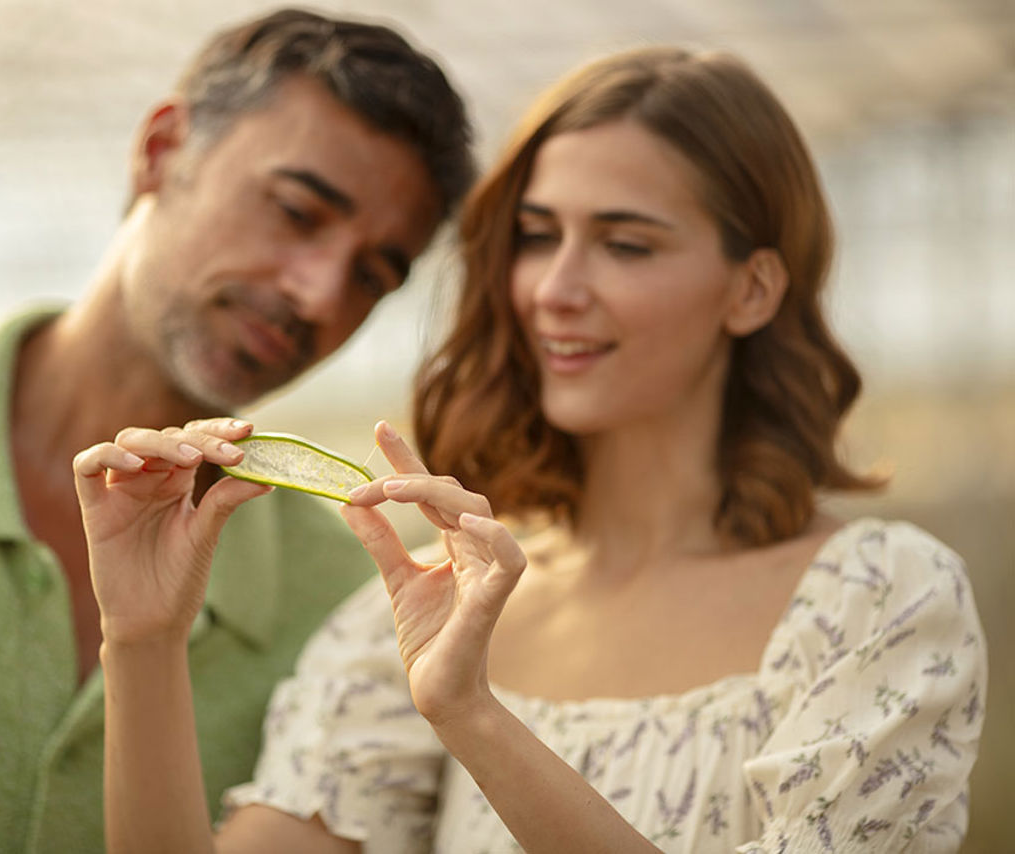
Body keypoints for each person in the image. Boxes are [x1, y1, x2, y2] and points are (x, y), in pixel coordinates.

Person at [75, 44, 988, 852]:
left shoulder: (883, 600)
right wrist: (146, 640)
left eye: (625, 244)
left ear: (751, 290)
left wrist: (474, 717)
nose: (555, 287)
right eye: (537, 237)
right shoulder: (419, 617)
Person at [0, 8, 475, 851]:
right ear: (162, 150)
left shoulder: (345, 607)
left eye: (372, 274)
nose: (318, 293)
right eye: (297, 211)